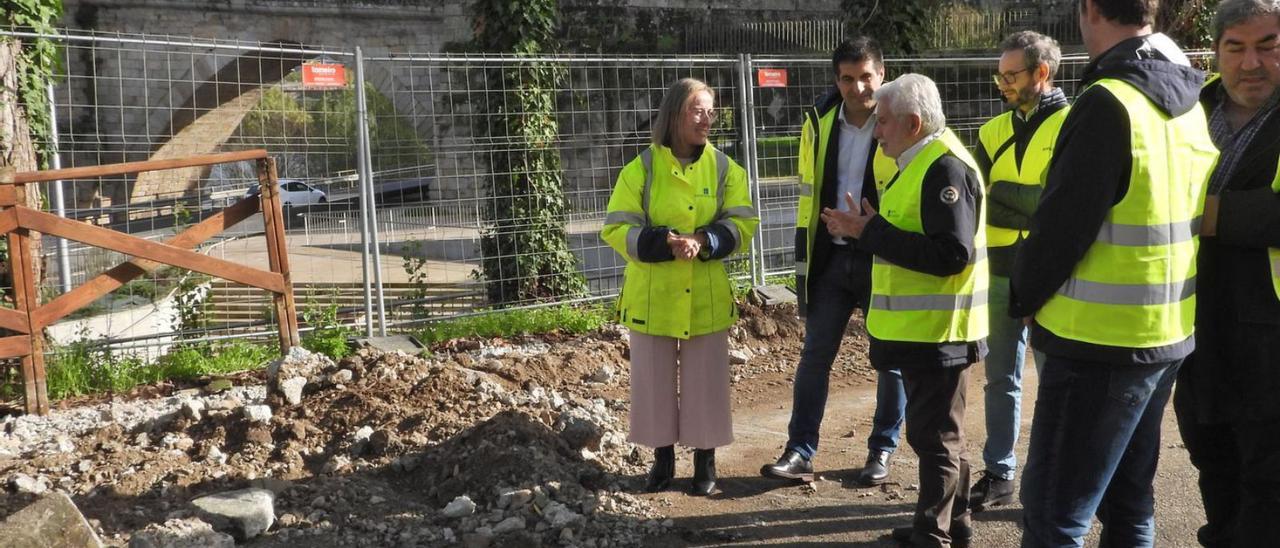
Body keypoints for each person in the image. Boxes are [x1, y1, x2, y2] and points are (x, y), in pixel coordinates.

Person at [1007, 0, 1218, 546]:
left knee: (1056, 515)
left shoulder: (1108, 101)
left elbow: (1062, 226)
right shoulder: (1190, 102)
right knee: (1129, 507)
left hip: (1094, 343)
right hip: (1165, 335)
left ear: (1088, 9)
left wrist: (1024, 296)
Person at [824, 73, 988, 548]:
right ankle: (953, 525)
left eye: (884, 122)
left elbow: (950, 255)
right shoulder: (924, 160)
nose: (877, 132)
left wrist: (868, 233)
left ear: (913, 123)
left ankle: (929, 535)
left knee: (933, 437)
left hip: (939, 331)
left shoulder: (943, 168)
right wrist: (869, 227)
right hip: (932, 330)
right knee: (942, 434)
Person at [601, 78, 758, 497]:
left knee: (706, 381)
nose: (707, 119)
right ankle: (662, 459)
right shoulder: (641, 169)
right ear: (674, 115)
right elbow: (616, 227)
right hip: (652, 297)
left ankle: (705, 462)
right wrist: (663, 242)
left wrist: (707, 240)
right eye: (697, 110)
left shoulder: (726, 169)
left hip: (705, 297)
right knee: (652, 383)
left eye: (711, 111)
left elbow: (743, 225)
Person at [760, 37, 905, 487]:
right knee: (814, 358)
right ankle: (800, 450)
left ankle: (881, 451)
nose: (858, 87)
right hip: (830, 260)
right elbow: (810, 191)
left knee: (891, 359)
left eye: (866, 76)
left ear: (882, 74)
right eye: (847, 78)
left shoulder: (902, 118)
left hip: (882, 256)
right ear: (836, 79)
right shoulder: (818, 120)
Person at [1173, 1, 1280, 546]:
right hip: (1199, 327)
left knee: (1269, 480)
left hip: (1272, 335)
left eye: (1268, 45)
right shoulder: (1192, 105)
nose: (1251, 62)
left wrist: (1203, 214)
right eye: (1235, 47)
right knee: (1211, 459)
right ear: (1216, 52)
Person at [969, 30, 1069, 513]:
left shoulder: (1075, 124)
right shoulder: (991, 132)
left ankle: (1056, 475)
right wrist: (1028, 203)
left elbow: (1062, 206)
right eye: (1001, 75)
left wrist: (1011, 196)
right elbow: (979, 202)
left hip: (1056, 274)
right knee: (999, 378)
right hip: (1003, 269)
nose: (1002, 84)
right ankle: (999, 472)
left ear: (1041, 73)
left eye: (1012, 75)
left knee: (1058, 380)